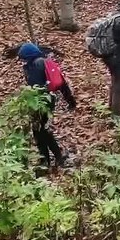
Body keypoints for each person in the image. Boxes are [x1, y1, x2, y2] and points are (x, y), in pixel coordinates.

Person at [16, 42, 77, 170]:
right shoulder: (43, 62)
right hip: (47, 101)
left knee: (40, 132)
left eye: (23, 58)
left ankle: (48, 160)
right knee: (42, 131)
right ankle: (52, 159)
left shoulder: (36, 65)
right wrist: (71, 101)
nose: (22, 61)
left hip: (40, 102)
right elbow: (61, 83)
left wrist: (28, 103)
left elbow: (35, 87)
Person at [84, 0, 120, 116]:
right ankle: (117, 114)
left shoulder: (112, 16)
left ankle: (111, 108)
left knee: (115, 81)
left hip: (108, 55)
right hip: (119, 56)